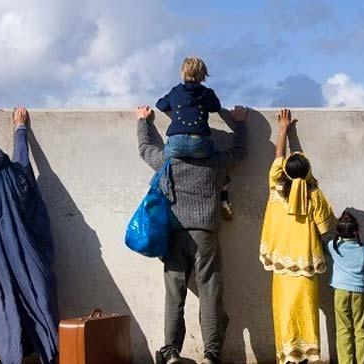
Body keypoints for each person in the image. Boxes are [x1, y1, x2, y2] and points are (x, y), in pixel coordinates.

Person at [136, 104, 248, 364]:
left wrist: (143, 122)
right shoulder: (215, 162)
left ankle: (172, 351)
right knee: (209, 292)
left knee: (175, 294)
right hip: (206, 233)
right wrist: (240, 123)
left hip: (174, 234)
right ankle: (211, 354)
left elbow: (144, 149)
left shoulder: (168, 161)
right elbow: (240, 152)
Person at [0, 107, 58, 364]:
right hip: (22, 259)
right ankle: (40, 353)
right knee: (37, 296)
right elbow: (23, 165)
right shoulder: (16, 181)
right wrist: (20, 130)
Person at [259, 108, 337, 363]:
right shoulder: (314, 196)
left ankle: (287, 357)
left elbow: (278, 157)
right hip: (306, 268)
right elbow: (327, 229)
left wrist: (283, 130)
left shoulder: (276, 188)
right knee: (306, 314)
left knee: (284, 314)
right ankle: (306, 357)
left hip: (282, 270)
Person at [155, 56, 234, 219]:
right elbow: (216, 107)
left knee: (164, 165)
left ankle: (162, 199)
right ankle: (224, 199)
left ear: (183, 73)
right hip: (199, 143)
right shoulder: (206, 93)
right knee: (218, 160)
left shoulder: (176, 91)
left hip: (176, 142)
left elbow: (160, 105)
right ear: (203, 75)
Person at [326, 211, 364, 364]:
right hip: (360, 292)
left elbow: (323, 244)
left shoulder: (333, 247)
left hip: (340, 292)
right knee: (361, 329)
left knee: (343, 329)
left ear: (338, 232)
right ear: (356, 231)